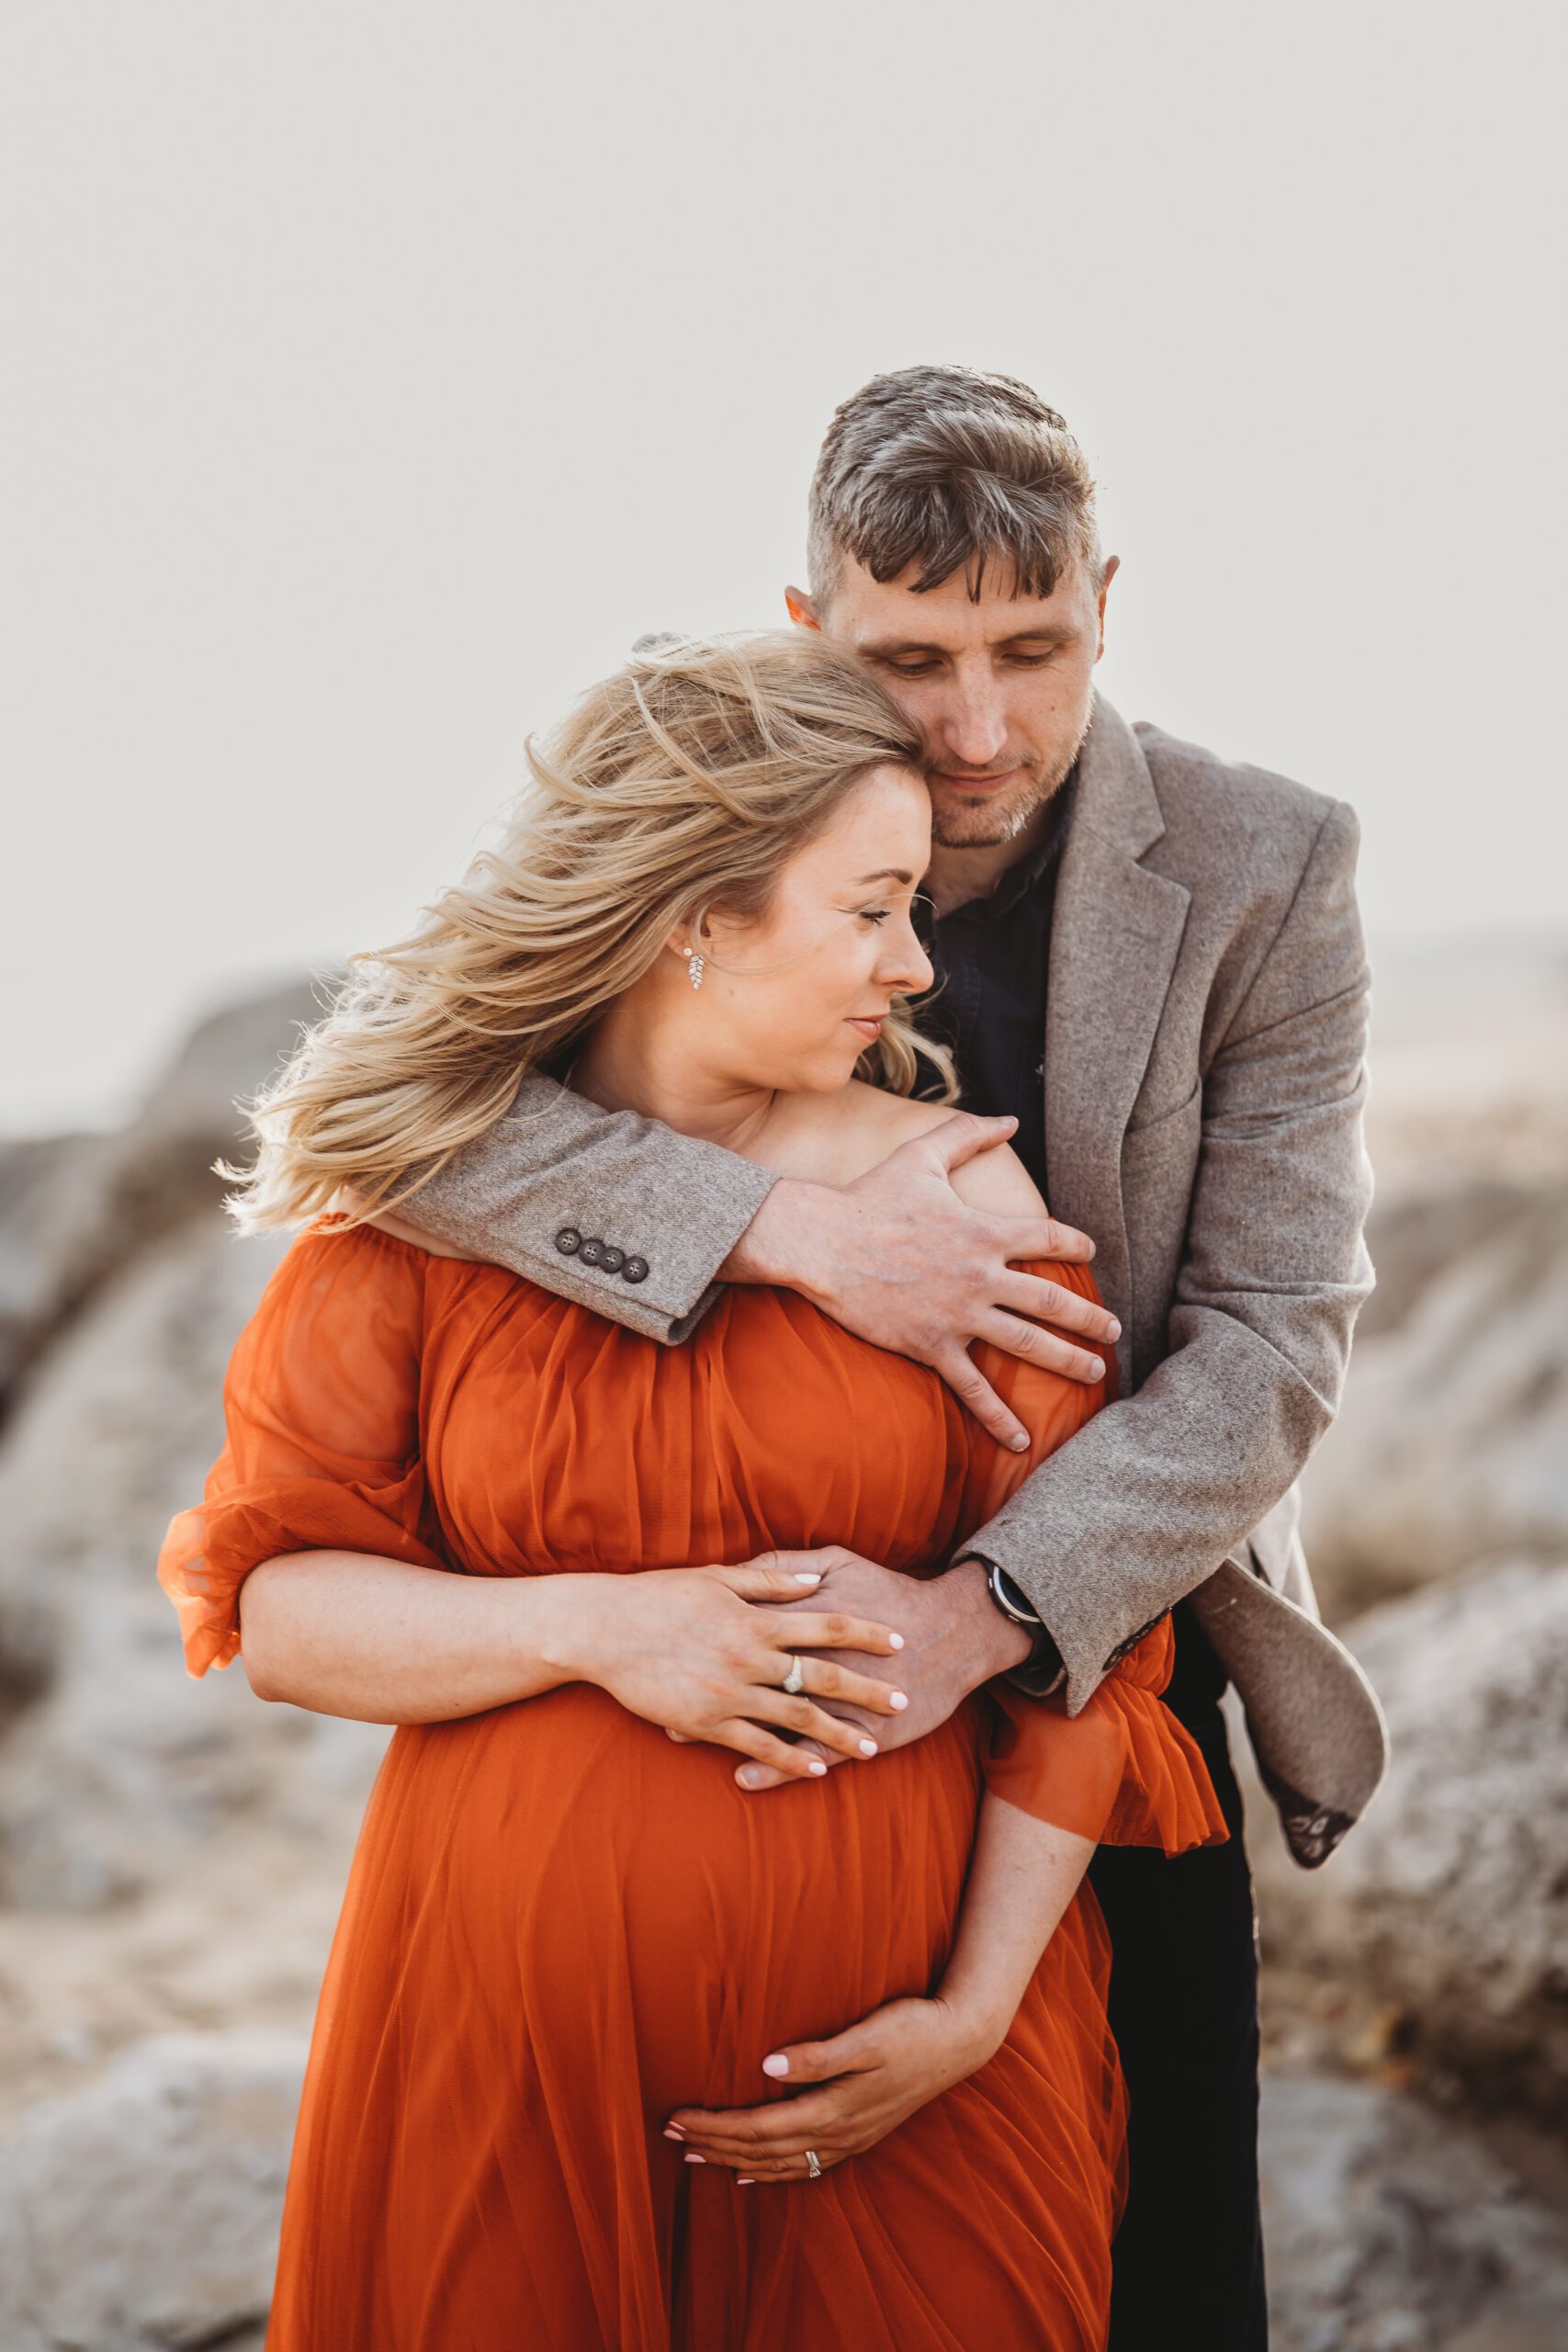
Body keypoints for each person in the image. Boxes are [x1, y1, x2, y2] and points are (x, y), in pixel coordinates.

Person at [400, 367, 1390, 2351]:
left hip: (1107, 1672)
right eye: (909, 655)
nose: (974, 728)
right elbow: (433, 1105)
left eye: (1033, 649)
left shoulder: (1270, 862)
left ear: (1106, 599)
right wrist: (786, 1232)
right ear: (804, 629)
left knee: (1159, 2275)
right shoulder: (691, 788)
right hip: (699, 1703)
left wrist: (981, 1612)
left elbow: (1272, 1337)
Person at [161, 632, 1227, 2349]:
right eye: (868, 908)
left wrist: (970, 2012)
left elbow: (1094, 1644)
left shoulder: (962, 1198)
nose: (911, 967)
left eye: (915, 912)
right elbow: (281, 1616)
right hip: (495, 2058)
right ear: (699, 920)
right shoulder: (425, 1214)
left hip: (912, 2095)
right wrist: (606, 1629)